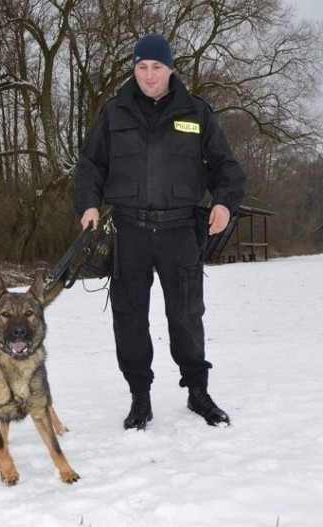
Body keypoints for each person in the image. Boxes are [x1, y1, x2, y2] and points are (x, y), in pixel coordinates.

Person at [73, 33, 247, 429]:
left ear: (171, 69)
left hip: (180, 230)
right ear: (134, 70)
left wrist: (223, 201)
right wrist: (88, 204)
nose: (149, 75)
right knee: (130, 317)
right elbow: (90, 166)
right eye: (141, 67)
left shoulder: (196, 112)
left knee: (186, 314)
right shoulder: (114, 112)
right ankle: (140, 397)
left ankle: (198, 392)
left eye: (156, 67)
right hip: (129, 231)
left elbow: (227, 168)